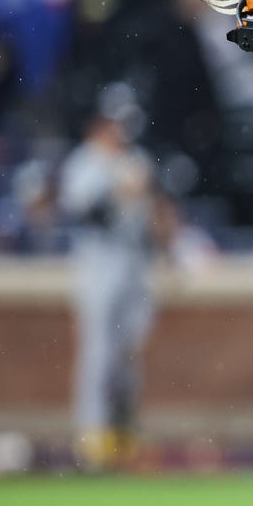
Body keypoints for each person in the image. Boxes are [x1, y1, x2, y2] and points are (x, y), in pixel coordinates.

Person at [57, 85, 158, 471]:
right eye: (116, 123)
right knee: (97, 351)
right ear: (101, 122)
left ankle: (123, 434)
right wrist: (115, 188)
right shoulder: (84, 162)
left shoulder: (137, 159)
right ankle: (92, 437)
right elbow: (80, 213)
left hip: (134, 261)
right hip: (98, 261)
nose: (123, 131)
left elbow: (150, 216)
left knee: (128, 352)